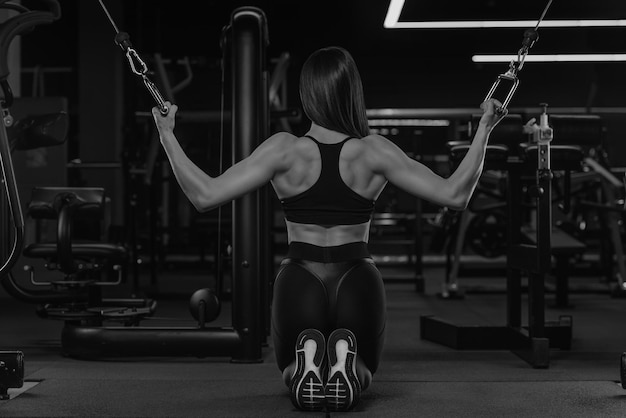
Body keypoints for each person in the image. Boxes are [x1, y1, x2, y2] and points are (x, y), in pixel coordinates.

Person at [152, 46, 506, 412]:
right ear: (351, 92)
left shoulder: (284, 150)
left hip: (299, 279)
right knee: (365, 370)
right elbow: (455, 195)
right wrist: (484, 129)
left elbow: (205, 194)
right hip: (357, 278)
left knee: (289, 371)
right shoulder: (374, 152)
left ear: (308, 95)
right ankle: (346, 362)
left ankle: (304, 360)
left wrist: (167, 134)